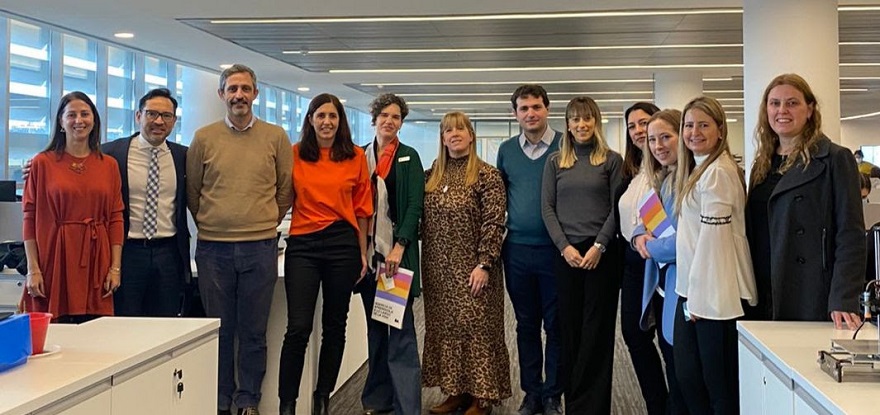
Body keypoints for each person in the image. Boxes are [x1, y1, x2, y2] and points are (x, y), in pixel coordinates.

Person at [186, 64, 293, 415]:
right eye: (232, 89)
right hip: (213, 248)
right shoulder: (203, 138)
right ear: (221, 95)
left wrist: (262, 222)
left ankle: (248, 399)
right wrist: (214, 222)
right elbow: (193, 191)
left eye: (245, 89)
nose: (239, 96)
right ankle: (219, 400)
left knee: (253, 332)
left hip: (260, 247)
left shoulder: (276, 137)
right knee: (219, 330)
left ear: (255, 94)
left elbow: (284, 190)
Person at [746, 74, 865, 329]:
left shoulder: (834, 159)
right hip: (762, 286)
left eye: (792, 103)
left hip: (808, 289)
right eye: (774, 103)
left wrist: (844, 297)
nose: (782, 111)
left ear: (809, 109)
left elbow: (851, 234)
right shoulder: (762, 164)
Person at [279, 93, 373, 415]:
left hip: (342, 243)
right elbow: (281, 198)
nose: (327, 122)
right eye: (321, 115)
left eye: (333, 116)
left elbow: (362, 210)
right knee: (298, 327)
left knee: (335, 324)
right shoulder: (294, 155)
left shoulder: (355, 157)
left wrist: (362, 253)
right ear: (310, 120)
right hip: (303, 244)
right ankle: (287, 403)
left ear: (340, 121)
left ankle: (322, 398)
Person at [421, 111, 509, 415]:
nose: (454, 134)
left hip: (474, 268)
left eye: (460, 129)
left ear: (471, 135)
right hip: (437, 270)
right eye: (448, 131)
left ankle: (481, 397)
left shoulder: (487, 175)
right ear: (442, 138)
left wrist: (485, 263)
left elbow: (494, 222)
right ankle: (455, 391)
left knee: (477, 330)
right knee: (446, 330)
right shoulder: (433, 173)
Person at [674, 96, 757, 415]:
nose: (694, 132)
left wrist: (698, 299)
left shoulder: (719, 173)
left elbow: (715, 243)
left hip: (715, 299)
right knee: (693, 380)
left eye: (703, 125)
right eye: (689, 125)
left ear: (721, 131)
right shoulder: (698, 169)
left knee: (717, 387)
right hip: (696, 293)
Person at [541, 96, 622, 414]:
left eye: (587, 118)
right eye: (575, 119)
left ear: (596, 122)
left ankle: (595, 405)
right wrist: (565, 247)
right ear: (568, 125)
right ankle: (574, 402)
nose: (581, 125)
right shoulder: (554, 162)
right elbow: (547, 208)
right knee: (569, 329)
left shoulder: (611, 160)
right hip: (567, 255)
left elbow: (618, 208)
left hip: (601, 255)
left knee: (597, 331)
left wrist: (599, 245)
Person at [21, 91, 124, 323]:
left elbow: (116, 217)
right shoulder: (41, 163)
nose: (79, 120)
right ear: (61, 121)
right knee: (53, 330)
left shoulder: (108, 165)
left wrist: (115, 267)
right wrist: (33, 268)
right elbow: (29, 217)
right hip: (54, 255)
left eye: (85, 114)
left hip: (97, 256)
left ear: (94, 120)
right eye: (72, 115)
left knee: (96, 331)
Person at [352, 93, 424, 415]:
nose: (390, 121)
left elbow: (414, 207)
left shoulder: (409, 157)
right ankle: (377, 401)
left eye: (396, 117)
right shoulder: (359, 157)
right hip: (368, 259)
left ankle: (406, 406)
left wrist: (400, 245)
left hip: (395, 260)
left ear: (401, 122)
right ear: (374, 119)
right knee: (376, 331)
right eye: (384, 115)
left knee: (401, 332)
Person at [495, 84, 562, 415]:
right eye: (524, 108)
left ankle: (553, 393)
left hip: (556, 251)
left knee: (556, 325)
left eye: (536, 107)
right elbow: (499, 199)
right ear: (515, 114)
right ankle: (532, 392)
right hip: (517, 250)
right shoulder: (507, 150)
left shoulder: (565, 145)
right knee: (525, 324)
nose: (530, 113)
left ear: (547, 109)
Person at [101, 88, 190, 317]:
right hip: (127, 253)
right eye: (152, 114)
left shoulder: (184, 156)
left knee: (165, 325)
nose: (158, 121)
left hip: (168, 254)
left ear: (173, 121)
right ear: (138, 116)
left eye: (166, 116)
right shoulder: (110, 153)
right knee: (124, 322)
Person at [617, 102, 673, 415]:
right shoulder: (635, 171)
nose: (639, 131)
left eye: (645, 123)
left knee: (668, 342)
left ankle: (675, 405)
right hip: (634, 259)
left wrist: (646, 237)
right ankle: (658, 405)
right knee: (635, 337)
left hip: (662, 261)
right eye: (633, 126)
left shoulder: (668, 168)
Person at [631, 109, 687, 415]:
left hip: (684, 288)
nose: (658, 145)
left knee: (684, 377)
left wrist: (652, 248)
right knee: (673, 367)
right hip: (663, 288)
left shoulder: (690, 180)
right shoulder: (663, 178)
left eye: (666, 137)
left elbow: (685, 242)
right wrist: (641, 236)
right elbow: (646, 219)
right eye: (652, 140)